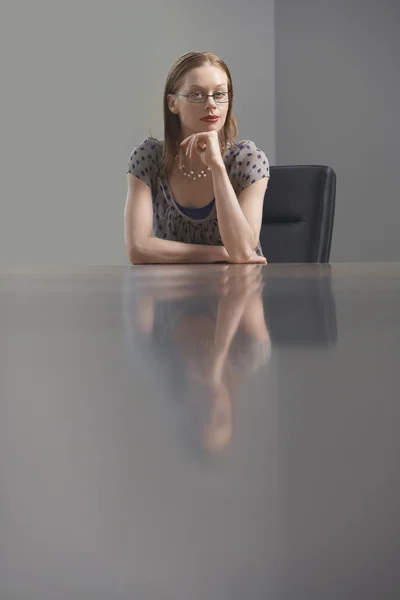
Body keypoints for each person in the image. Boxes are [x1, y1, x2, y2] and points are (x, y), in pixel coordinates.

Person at [124, 51, 270, 265]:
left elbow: (241, 251)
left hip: (236, 292)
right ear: (173, 103)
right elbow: (138, 249)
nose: (211, 104)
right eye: (197, 95)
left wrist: (217, 167)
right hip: (172, 293)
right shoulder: (149, 158)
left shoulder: (249, 160)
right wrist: (221, 254)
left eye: (219, 94)